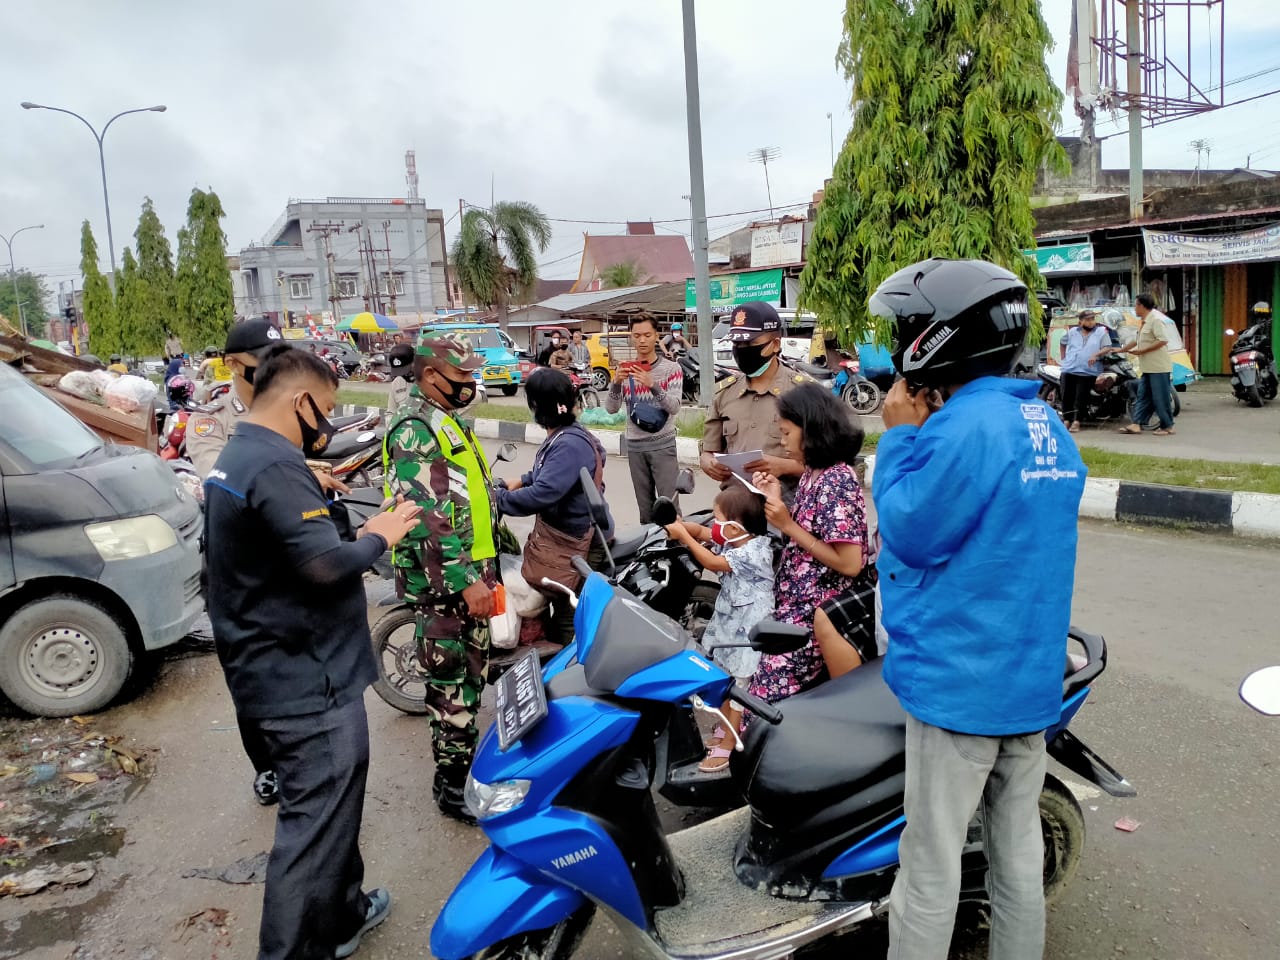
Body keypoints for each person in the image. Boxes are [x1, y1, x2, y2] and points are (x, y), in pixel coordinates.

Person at [868, 257, 1087, 960]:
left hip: (959, 683)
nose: (901, 340)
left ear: (941, 336)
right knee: (1015, 851)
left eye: (909, 325)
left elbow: (908, 532)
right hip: (1028, 677)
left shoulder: (960, 427)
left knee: (929, 867)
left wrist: (900, 433)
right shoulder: (1045, 423)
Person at [203, 344, 422, 960]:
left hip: (275, 664)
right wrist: (378, 535)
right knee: (312, 829)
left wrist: (312, 488)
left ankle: (343, 914)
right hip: (303, 681)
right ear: (301, 402)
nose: (328, 423)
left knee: (333, 813)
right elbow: (325, 564)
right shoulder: (273, 467)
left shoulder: (245, 454)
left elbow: (274, 546)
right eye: (325, 409)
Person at [383, 332, 499, 823]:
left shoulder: (442, 419)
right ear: (430, 375)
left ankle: (466, 770)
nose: (470, 383)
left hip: (467, 573)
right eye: (462, 376)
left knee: (470, 680)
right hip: (445, 585)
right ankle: (453, 786)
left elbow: (463, 494)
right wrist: (463, 581)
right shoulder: (415, 427)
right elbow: (428, 515)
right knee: (452, 685)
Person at [748, 383, 871, 703]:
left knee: (764, 695)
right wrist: (774, 496)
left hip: (816, 612)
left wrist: (787, 523)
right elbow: (807, 535)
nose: (783, 440)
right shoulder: (814, 473)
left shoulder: (836, 480)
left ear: (811, 430)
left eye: (788, 432)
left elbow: (849, 562)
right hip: (794, 605)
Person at [495, 368, 613, 645]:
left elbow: (545, 492)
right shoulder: (564, 434)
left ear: (536, 406)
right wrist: (521, 480)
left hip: (580, 541)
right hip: (567, 535)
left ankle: (564, 675)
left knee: (565, 610)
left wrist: (499, 500)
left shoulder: (568, 443)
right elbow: (553, 475)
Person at [663, 484, 773, 770]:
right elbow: (703, 534)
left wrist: (684, 536)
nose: (714, 525)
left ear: (735, 528)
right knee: (725, 676)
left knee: (739, 683)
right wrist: (679, 525)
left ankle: (730, 744)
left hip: (748, 628)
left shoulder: (753, 552)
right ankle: (726, 728)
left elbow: (711, 561)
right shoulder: (737, 539)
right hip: (731, 621)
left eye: (718, 519)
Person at [701, 301, 812, 505]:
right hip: (735, 504)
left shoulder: (804, 393)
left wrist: (783, 466)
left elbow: (830, 465)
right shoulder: (725, 393)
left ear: (775, 344)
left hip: (786, 504)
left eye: (750, 344)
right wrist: (709, 463)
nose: (742, 350)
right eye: (737, 344)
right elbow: (709, 450)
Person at [604, 313, 683, 524]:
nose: (642, 340)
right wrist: (616, 383)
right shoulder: (626, 370)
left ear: (656, 336)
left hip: (662, 445)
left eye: (647, 335)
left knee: (669, 508)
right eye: (637, 335)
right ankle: (650, 551)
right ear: (632, 337)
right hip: (635, 446)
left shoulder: (671, 369)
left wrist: (653, 385)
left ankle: (676, 551)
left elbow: (674, 407)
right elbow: (611, 409)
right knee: (645, 511)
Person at [1112, 292, 1175, 436]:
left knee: (1160, 397)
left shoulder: (1155, 320)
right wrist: (1122, 349)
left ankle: (1167, 426)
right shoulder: (1145, 322)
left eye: (1136, 305)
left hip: (1158, 367)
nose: (1134, 309)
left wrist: (1142, 351)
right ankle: (1136, 424)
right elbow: (1136, 340)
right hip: (1147, 368)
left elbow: (1163, 340)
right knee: (1142, 395)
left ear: (1142, 306)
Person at [1058, 309, 1111, 433]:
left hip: (1088, 370)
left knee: (1081, 396)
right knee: (1066, 395)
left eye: (1092, 319)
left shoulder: (1101, 332)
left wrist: (1096, 355)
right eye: (1088, 320)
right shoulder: (1072, 332)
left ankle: (1077, 421)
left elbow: (1107, 347)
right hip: (1070, 367)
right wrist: (1064, 358)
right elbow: (1062, 343)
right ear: (1080, 322)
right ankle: (1066, 420)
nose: (1091, 322)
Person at [386, 342, 415, 411]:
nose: (403, 375)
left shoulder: (430, 381)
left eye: (405, 370)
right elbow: (391, 411)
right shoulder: (396, 383)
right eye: (399, 371)